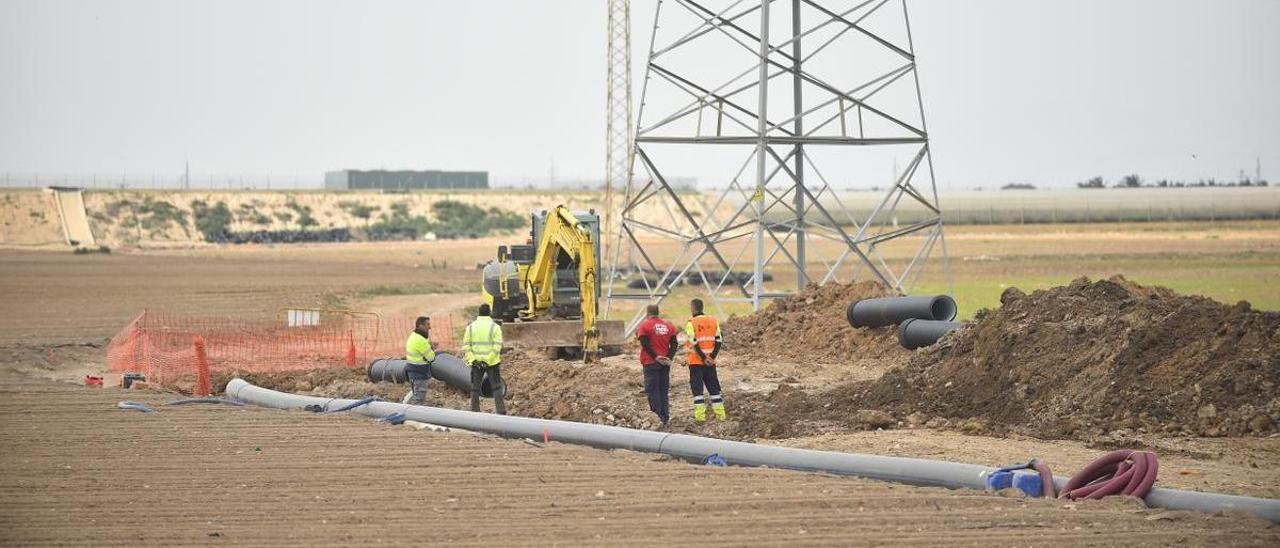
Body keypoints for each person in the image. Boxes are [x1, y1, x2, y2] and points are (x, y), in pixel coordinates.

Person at [683, 298, 725, 422]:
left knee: (697, 391)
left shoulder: (691, 323)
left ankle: (700, 418)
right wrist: (711, 357)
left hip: (696, 362)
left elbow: (693, 342)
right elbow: (719, 341)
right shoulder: (713, 321)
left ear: (693, 308)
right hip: (710, 363)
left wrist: (703, 358)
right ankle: (721, 416)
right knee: (714, 389)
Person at [635, 303, 678, 427]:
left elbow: (645, 344)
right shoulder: (668, 326)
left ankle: (657, 418)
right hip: (665, 363)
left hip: (651, 362)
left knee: (652, 390)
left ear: (647, 313)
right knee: (663, 390)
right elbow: (674, 343)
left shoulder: (645, 325)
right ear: (658, 312)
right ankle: (665, 417)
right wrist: (669, 357)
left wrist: (656, 357)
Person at [463, 304, 506, 414]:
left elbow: (466, 346)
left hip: (476, 363)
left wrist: (473, 360)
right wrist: (487, 360)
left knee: (475, 388)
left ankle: (475, 411)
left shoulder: (470, 327)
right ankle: (501, 412)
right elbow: (497, 346)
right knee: (496, 387)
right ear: (489, 313)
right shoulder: (495, 327)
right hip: (492, 363)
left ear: (479, 313)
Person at [403, 316, 435, 405]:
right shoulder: (420, 340)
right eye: (427, 324)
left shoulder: (414, 336)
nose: (430, 327)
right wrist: (431, 349)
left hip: (413, 371)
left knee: (415, 392)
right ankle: (413, 413)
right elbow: (431, 358)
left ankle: (404, 406)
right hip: (419, 373)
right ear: (421, 326)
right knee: (419, 398)